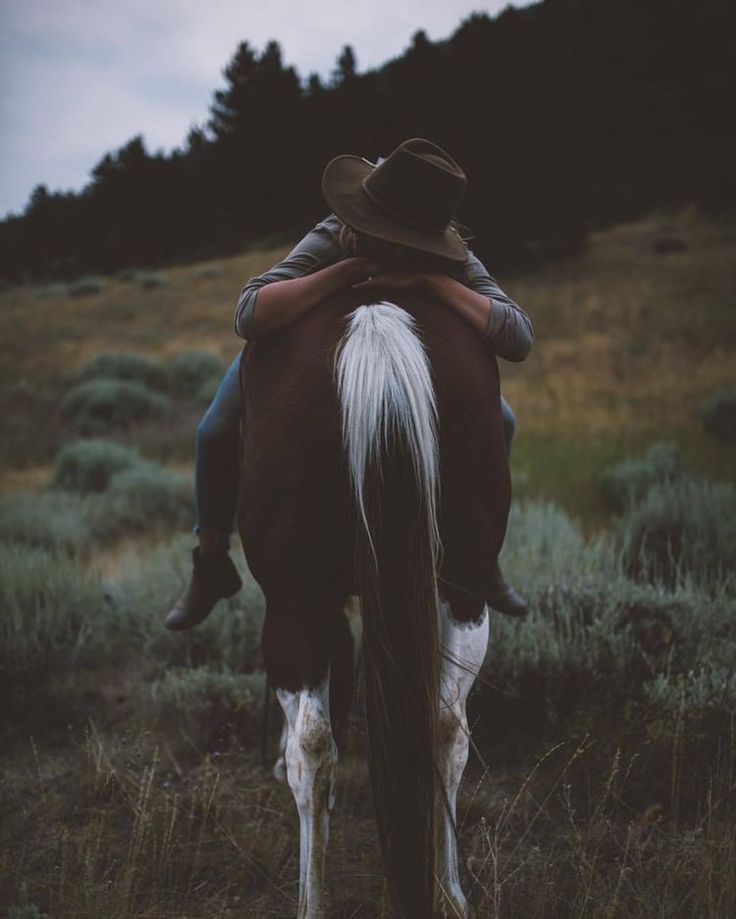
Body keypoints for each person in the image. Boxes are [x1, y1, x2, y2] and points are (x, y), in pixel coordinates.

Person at [165, 137, 532, 631]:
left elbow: (518, 335)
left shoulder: (451, 252)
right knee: (213, 432)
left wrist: (430, 283)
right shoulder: (336, 230)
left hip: (409, 351)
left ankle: (478, 559)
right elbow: (249, 310)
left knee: (501, 419)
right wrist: (350, 270)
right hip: (309, 348)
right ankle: (210, 559)